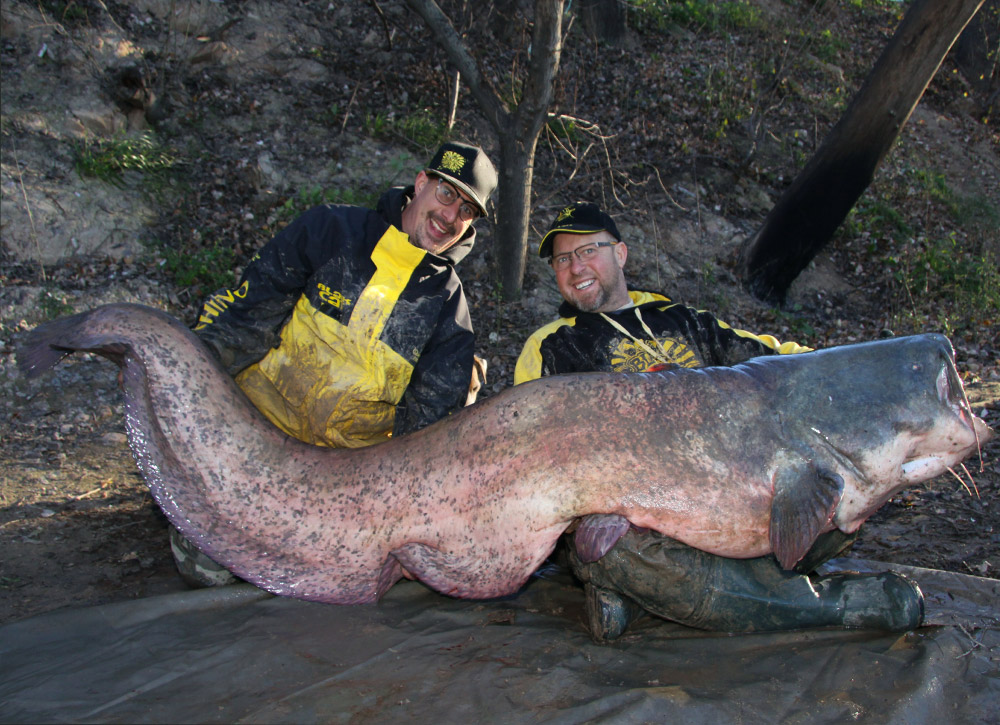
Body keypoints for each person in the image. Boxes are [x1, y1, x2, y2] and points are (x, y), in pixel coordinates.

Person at [515, 201, 925, 642]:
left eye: (587, 251)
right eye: (562, 259)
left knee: (837, 494)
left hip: (738, 504)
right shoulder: (548, 347)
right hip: (640, 520)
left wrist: (850, 374)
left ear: (621, 253)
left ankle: (652, 599)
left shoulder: (684, 320)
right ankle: (830, 607)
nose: (576, 268)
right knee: (608, 553)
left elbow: (777, 363)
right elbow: (535, 458)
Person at [170, 141, 499, 587]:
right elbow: (241, 325)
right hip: (258, 443)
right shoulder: (328, 230)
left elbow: (426, 434)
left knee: (325, 586)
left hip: (341, 483)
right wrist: (183, 387)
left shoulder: (449, 309)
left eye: (466, 211)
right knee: (207, 572)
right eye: (446, 194)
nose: (450, 216)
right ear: (421, 183)